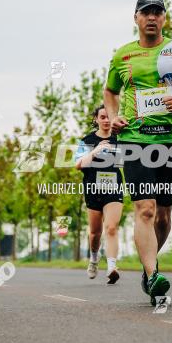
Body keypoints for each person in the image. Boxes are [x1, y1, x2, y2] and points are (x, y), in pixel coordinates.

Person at [104, 0, 172, 305]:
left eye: (157, 13)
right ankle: (152, 276)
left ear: (164, 19)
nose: (152, 17)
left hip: (171, 142)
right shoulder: (122, 55)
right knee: (145, 208)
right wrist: (113, 117)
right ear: (136, 18)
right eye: (146, 12)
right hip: (136, 141)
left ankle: (150, 264)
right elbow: (110, 92)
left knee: (163, 213)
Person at [75, 104, 124, 284]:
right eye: (102, 117)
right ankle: (94, 258)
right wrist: (95, 152)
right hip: (93, 189)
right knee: (95, 233)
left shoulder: (120, 139)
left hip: (114, 188)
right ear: (96, 119)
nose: (106, 120)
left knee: (111, 227)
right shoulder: (87, 140)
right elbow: (78, 164)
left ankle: (112, 267)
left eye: (108, 117)